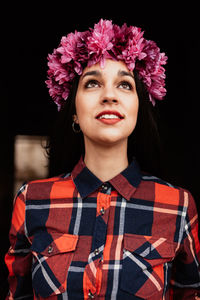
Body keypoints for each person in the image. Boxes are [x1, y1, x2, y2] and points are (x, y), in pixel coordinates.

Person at [5, 19, 200, 300]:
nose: (109, 95)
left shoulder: (179, 206)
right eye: (93, 83)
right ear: (73, 109)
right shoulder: (32, 200)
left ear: (139, 108)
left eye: (124, 85)